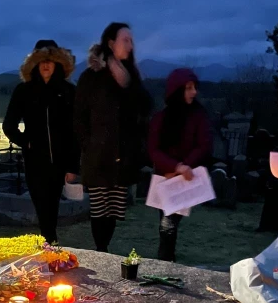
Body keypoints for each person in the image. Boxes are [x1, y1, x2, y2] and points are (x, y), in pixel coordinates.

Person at [74, 23, 151, 252]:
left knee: (114, 210)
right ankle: (101, 251)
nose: (130, 44)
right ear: (111, 43)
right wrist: (89, 144)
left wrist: (128, 84)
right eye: (125, 40)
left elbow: (146, 107)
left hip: (123, 156)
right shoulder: (91, 77)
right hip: (98, 157)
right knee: (99, 209)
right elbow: (79, 116)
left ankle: (104, 249)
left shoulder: (131, 76)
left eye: (131, 40)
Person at [3, 40, 79, 243]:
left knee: (52, 206)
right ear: (35, 63)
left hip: (60, 161)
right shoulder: (24, 90)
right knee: (41, 206)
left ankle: (49, 243)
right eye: (42, 60)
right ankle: (49, 243)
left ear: (58, 63)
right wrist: (26, 142)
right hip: (35, 161)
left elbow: (76, 131)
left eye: (50, 61)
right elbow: (8, 125)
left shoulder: (68, 91)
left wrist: (73, 165)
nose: (46, 65)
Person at [148, 68, 213, 261]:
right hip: (165, 179)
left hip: (186, 179)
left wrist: (185, 166)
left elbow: (204, 144)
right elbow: (153, 149)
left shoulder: (198, 115)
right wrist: (174, 167)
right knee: (166, 226)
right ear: (177, 91)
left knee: (169, 226)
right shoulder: (162, 118)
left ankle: (166, 260)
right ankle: (166, 261)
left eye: (194, 87)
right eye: (189, 88)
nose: (194, 92)